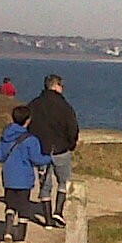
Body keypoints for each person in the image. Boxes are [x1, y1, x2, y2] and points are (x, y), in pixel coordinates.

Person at [28, 73, 80, 228]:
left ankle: (48, 220)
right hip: (61, 149)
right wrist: (71, 144)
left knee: (45, 185)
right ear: (56, 86)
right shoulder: (65, 106)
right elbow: (72, 128)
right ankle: (58, 210)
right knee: (64, 181)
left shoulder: (34, 105)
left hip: (41, 149)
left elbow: (28, 125)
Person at [0, 105, 51, 240]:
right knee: (24, 207)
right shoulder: (31, 139)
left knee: (10, 203)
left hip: (8, 176)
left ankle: (8, 229)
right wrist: (49, 158)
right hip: (24, 178)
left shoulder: (5, 136)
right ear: (28, 120)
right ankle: (20, 236)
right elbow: (37, 159)